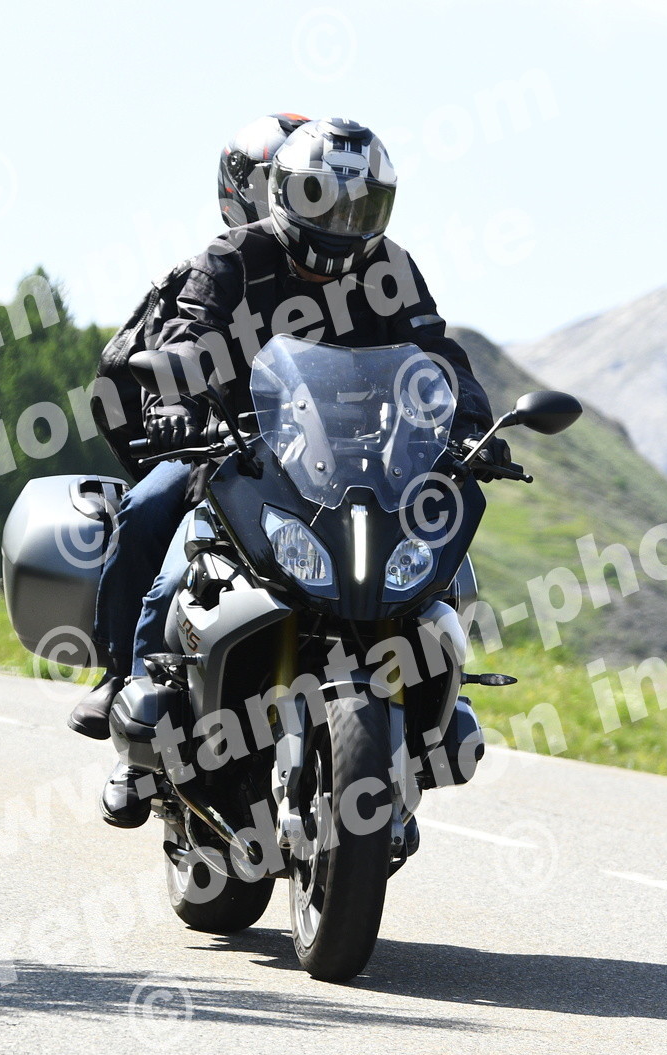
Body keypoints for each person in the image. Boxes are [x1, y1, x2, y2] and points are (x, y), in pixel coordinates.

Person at [98, 117, 504, 827]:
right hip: (236, 449)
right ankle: (128, 701)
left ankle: (431, 715)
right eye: (324, 198)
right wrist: (177, 404)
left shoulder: (392, 269)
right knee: (152, 514)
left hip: (357, 464)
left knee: (441, 559)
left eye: (361, 204)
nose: (342, 220)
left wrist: (472, 424)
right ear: (285, 192)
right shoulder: (231, 256)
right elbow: (191, 331)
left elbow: (436, 353)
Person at [69, 113, 310, 739]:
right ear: (240, 187)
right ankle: (124, 678)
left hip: (321, 464)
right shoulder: (218, 265)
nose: (295, 199)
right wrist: (174, 408)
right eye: (278, 182)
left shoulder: (350, 270)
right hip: (219, 447)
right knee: (148, 512)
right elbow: (174, 340)